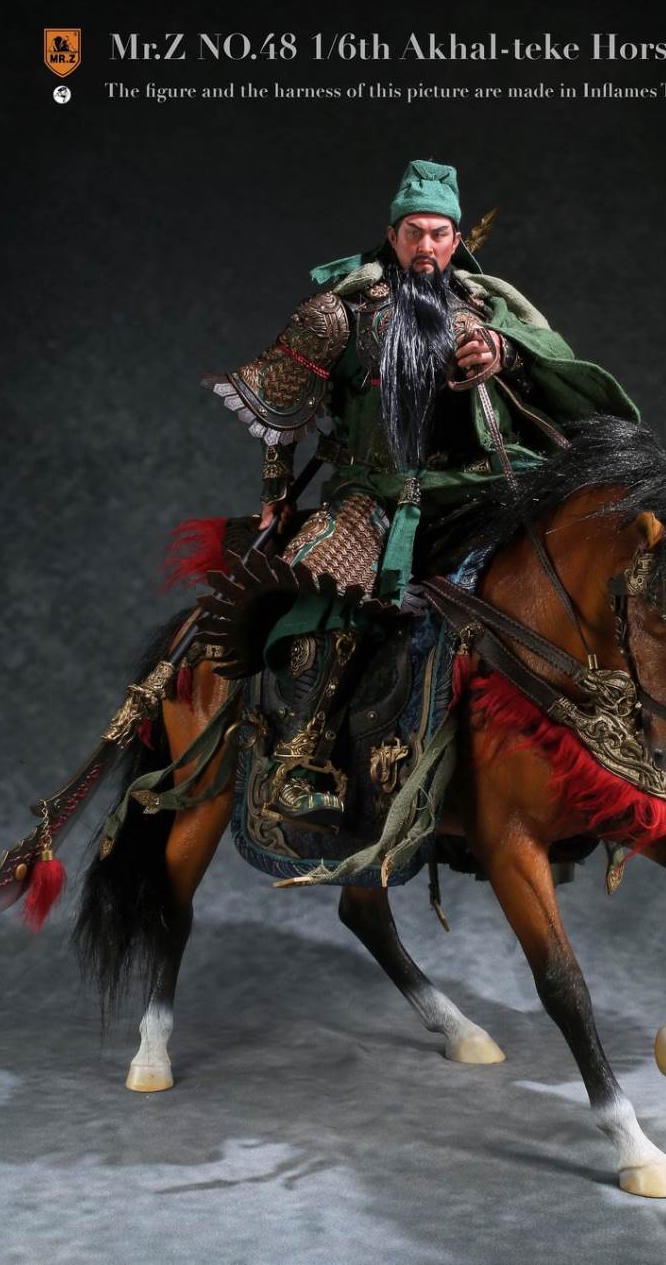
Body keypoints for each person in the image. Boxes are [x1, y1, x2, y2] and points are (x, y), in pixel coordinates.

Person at [203, 160, 638, 826]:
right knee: (329, 590)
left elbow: (544, 371)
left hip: (469, 488)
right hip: (371, 493)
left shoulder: (485, 313)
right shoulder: (338, 314)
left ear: (456, 238)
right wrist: (277, 492)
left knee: (562, 564)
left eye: (438, 233)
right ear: (393, 235)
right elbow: (281, 410)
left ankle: (597, 742)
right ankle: (298, 760)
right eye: (414, 232)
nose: (426, 246)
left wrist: (502, 355)